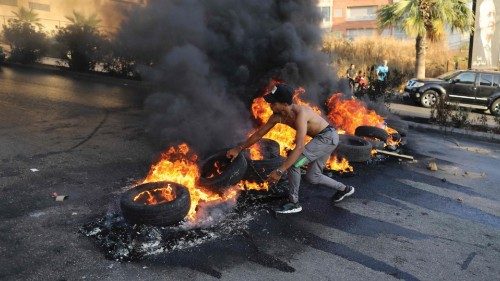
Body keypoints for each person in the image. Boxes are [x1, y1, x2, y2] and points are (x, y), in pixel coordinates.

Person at [226, 84, 355, 214]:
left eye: (273, 103)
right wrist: (239, 148)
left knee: (294, 164)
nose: (270, 105)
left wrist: (280, 170)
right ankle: (345, 189)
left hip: (327, 138)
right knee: (312, 177)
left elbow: (299, 147)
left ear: (284, 103)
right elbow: (259, 134)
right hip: (322, 139)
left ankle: (294, 203)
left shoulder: (301, 114)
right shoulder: (277, 116)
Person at [473, 0, 498, 68]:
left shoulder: (497, 48)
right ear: (480, 20)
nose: (493, 20)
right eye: (489, 15)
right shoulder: (475, 45)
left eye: (494, 14)